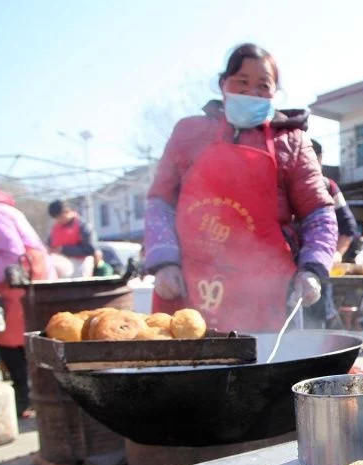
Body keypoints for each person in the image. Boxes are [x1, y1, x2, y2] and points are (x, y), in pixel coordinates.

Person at [144, 43, 337, 332]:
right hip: (187, 284)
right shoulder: (189, 132)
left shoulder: (292, 141)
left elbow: (318, 213)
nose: (252, 93)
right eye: (242, 83)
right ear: (224, 85)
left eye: (263, 85)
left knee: (268, 370)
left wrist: (313, 268)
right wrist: (163, 262)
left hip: (265, 292)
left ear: (275, 93)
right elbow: (160, 203)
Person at [0, 187, 55, 416]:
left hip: (23, 278)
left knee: (16, 337)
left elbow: (11, 251)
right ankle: (28, 396)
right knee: (13, 338)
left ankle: (28, 398)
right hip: (14, 278)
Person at [303, 138, 357, 328]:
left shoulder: (327, 186)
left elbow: (348, 227)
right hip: (283, 272)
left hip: (317, 271)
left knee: (316, 324)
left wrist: (337, 253)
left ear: (319, 159)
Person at [47, 199, 96, 277]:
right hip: (60, 264)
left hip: (80, 264)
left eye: (60, 217)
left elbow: (89, 249)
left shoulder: (83, 226)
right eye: (56, 218)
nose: (58, 220)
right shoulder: (55, 228)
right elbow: (49, 244)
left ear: (66, 211)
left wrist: (63, 249)